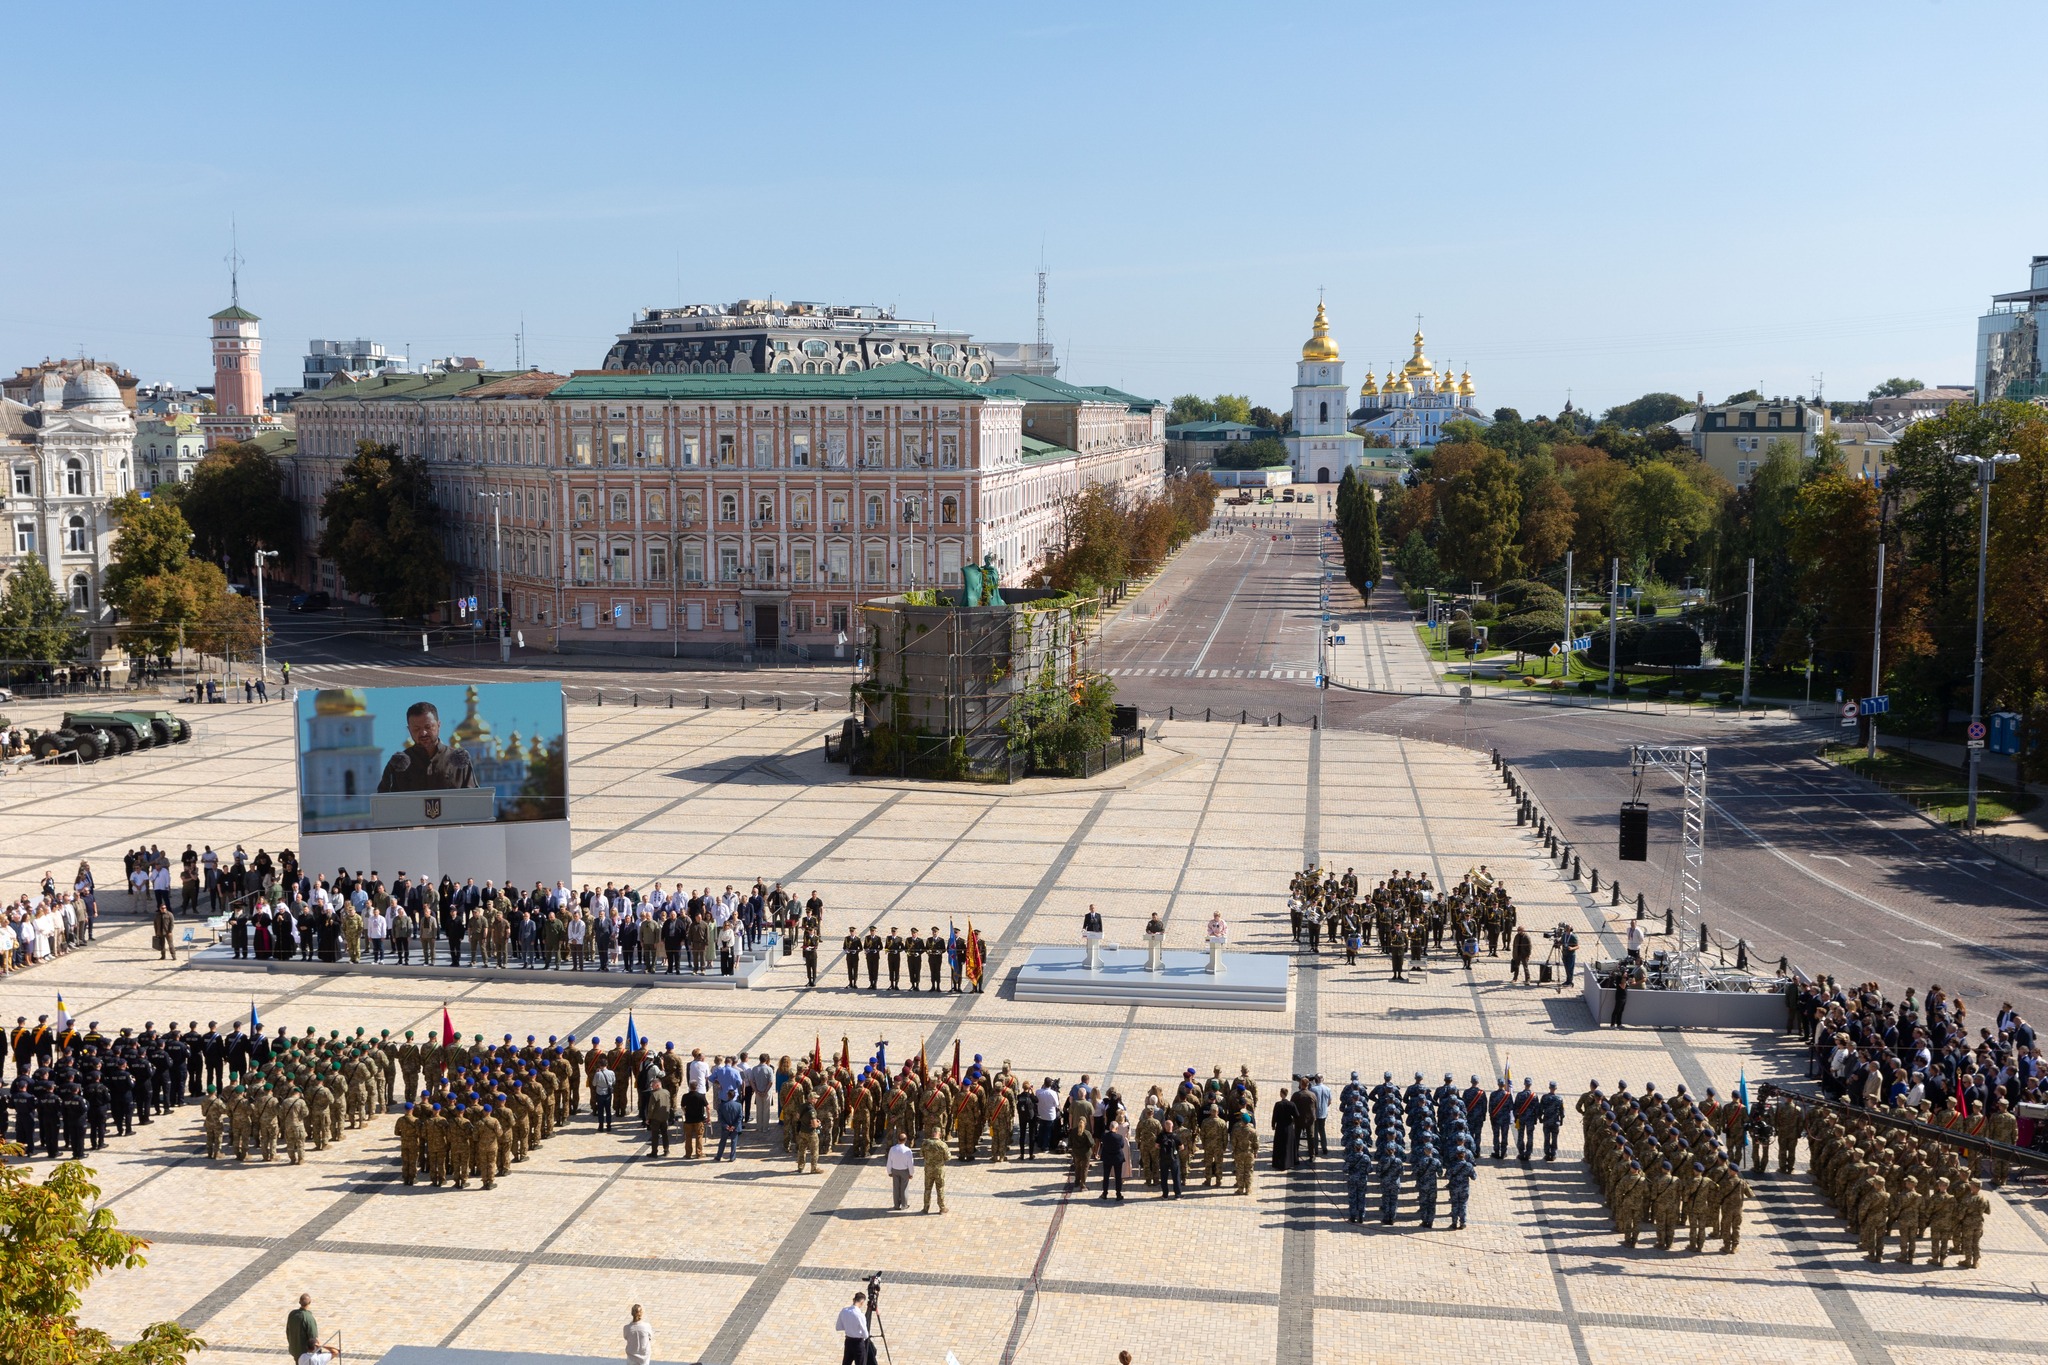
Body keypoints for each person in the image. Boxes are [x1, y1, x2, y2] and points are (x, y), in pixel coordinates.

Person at [375, 702, 478, 793]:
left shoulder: (459, 760)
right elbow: (383, 802)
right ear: (409, 729)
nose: (423, 733)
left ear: (439, 725)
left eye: (428, 727)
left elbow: (474, 800)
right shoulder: (397, 764)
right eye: (416, 729)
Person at [285, 1293, 330, 1365]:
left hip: (295, 1350)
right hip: (305, 1354)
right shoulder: (309, 1318)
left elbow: (288, 1331)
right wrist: (318, 1351)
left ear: (299, 1302)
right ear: (310, 1302)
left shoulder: (292, 1314)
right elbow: (313, 1338)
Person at [837, 1292, 874, 1365]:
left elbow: (838, 1327)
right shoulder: (860, 1315)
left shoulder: (844, 1311)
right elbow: (866, 1334)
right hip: (858, 1343)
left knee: (846, 1362)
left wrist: (849, 1327)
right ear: (862, 1302)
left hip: (848, 1341)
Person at [886, 1130, 915, 1210]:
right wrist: (911, 1173)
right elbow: (910, 1163)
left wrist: (889, 1171)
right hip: (904, 1171)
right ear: (905, 1140)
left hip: (895, 1170)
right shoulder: (908, 1150)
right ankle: (904, 1205)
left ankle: (896, 1205)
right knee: (904, 1188)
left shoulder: (892, 1149)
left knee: (896, 1188)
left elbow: (889, 1161)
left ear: (897, 1139)